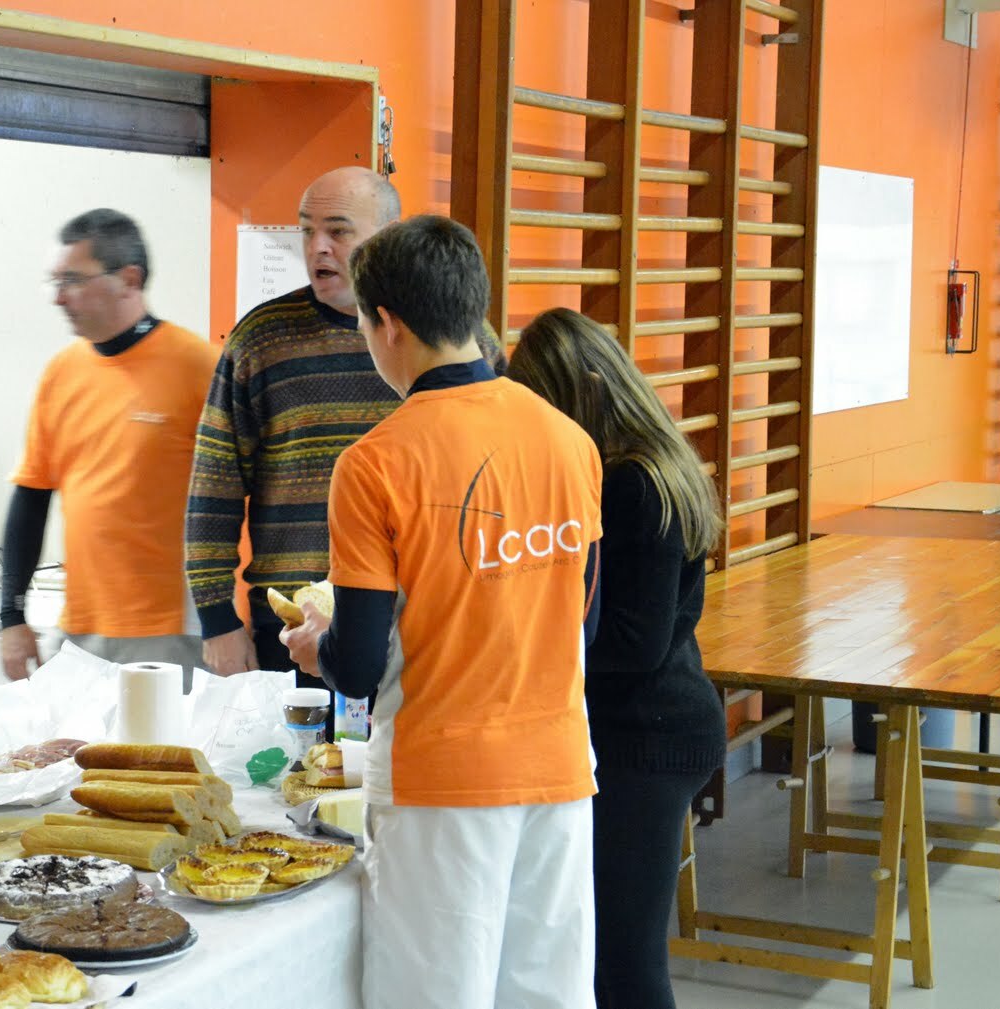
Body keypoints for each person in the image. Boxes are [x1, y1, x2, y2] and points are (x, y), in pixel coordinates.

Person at [282, 216, 603, 1009]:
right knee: (548, 995)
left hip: (442, 783)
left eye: (363, 323)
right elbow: (581, 621)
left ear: (388, 322)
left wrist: (316, 647)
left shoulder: (375, 462)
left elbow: (357, 666)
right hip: (560, 767)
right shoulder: (569, 440)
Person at [507, 307, 727, 1009]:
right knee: (607, 954)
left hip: (647, 739)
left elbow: (635, 642)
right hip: (653, 727)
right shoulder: (651, 464)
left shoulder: (635, 482)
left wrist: (523, 642)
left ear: (582, 393)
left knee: (624, 963)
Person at [185, 166, 402, 696]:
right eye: (307, 230)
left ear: (390, 236)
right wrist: (217, 619)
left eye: (338, 230)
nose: (317, 247)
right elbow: (215, 486)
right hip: (290, 626)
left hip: (411, 618)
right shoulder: (262, 340)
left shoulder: (443, 338)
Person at [0, 209, 218, 684]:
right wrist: (10, 615)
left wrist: (229, 622)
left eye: (74, 280)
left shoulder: (198, 367)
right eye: (55, 281)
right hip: (80, 629)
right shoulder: (61, 373)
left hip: (171, 631)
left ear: (129, 280)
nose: (59, 297)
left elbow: (239, 501)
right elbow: (31, 497)